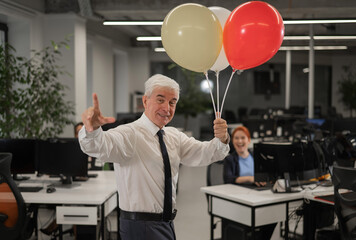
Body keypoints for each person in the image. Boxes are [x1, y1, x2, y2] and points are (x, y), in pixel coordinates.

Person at [78, 74, 230, 240]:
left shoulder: (173, 136)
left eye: (172, 102)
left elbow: (206, 153)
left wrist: (222, 139)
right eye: (160, 100)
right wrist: (92, 131)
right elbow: (99, 146)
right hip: (139, 227)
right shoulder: (129, 134)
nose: (167, 108)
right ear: (145, 101)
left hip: (166, 224)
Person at [223, 125, 276, 239]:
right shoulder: (230, 159)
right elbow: (228, 178)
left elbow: (265, 173)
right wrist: (250, 178)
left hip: (258, 195)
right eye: (236, 138)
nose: (240, 141)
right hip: (239, 199)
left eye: (243, 138)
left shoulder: (255, 156)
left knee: (273, 216)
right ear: (232, 141)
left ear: (249, 140)